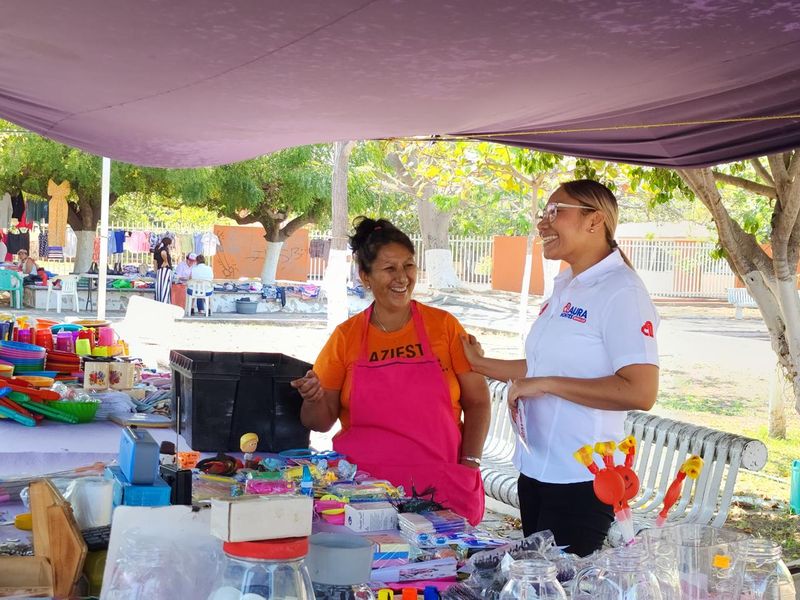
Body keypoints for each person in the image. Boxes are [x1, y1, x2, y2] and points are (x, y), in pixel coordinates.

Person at [461, 180, 659, 556]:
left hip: (582, 478)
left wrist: (546, 384)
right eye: (543, 213)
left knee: (557, 587)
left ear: (594, 220)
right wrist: (481, 363)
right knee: (531, 582)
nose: (542, 223)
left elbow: (640, 391)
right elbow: (541, 365)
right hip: (537, 470)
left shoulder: (622, 291)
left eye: (556, 212)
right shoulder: (568, 284)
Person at [291, 217, 490, 525]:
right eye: (389, 268)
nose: (402, 277)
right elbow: (319, 422)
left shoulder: (444, 327)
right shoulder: (346, 337)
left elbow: (478, 401)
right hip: (362, 494)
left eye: (408, 266)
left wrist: (470, 463)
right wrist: (313, 398)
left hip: (441, 488)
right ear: (365, 277)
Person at [153, 237, 173, 304]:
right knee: (165, 288)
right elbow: (163, 253)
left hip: (159, 271)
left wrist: (155, 270)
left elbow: (155, 261)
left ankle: (159, 302)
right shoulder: (164, 249)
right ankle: (164, 303)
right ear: (168, 244)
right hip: (165, 271)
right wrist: (166, 261)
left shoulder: (157, 249)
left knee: (159, 289)